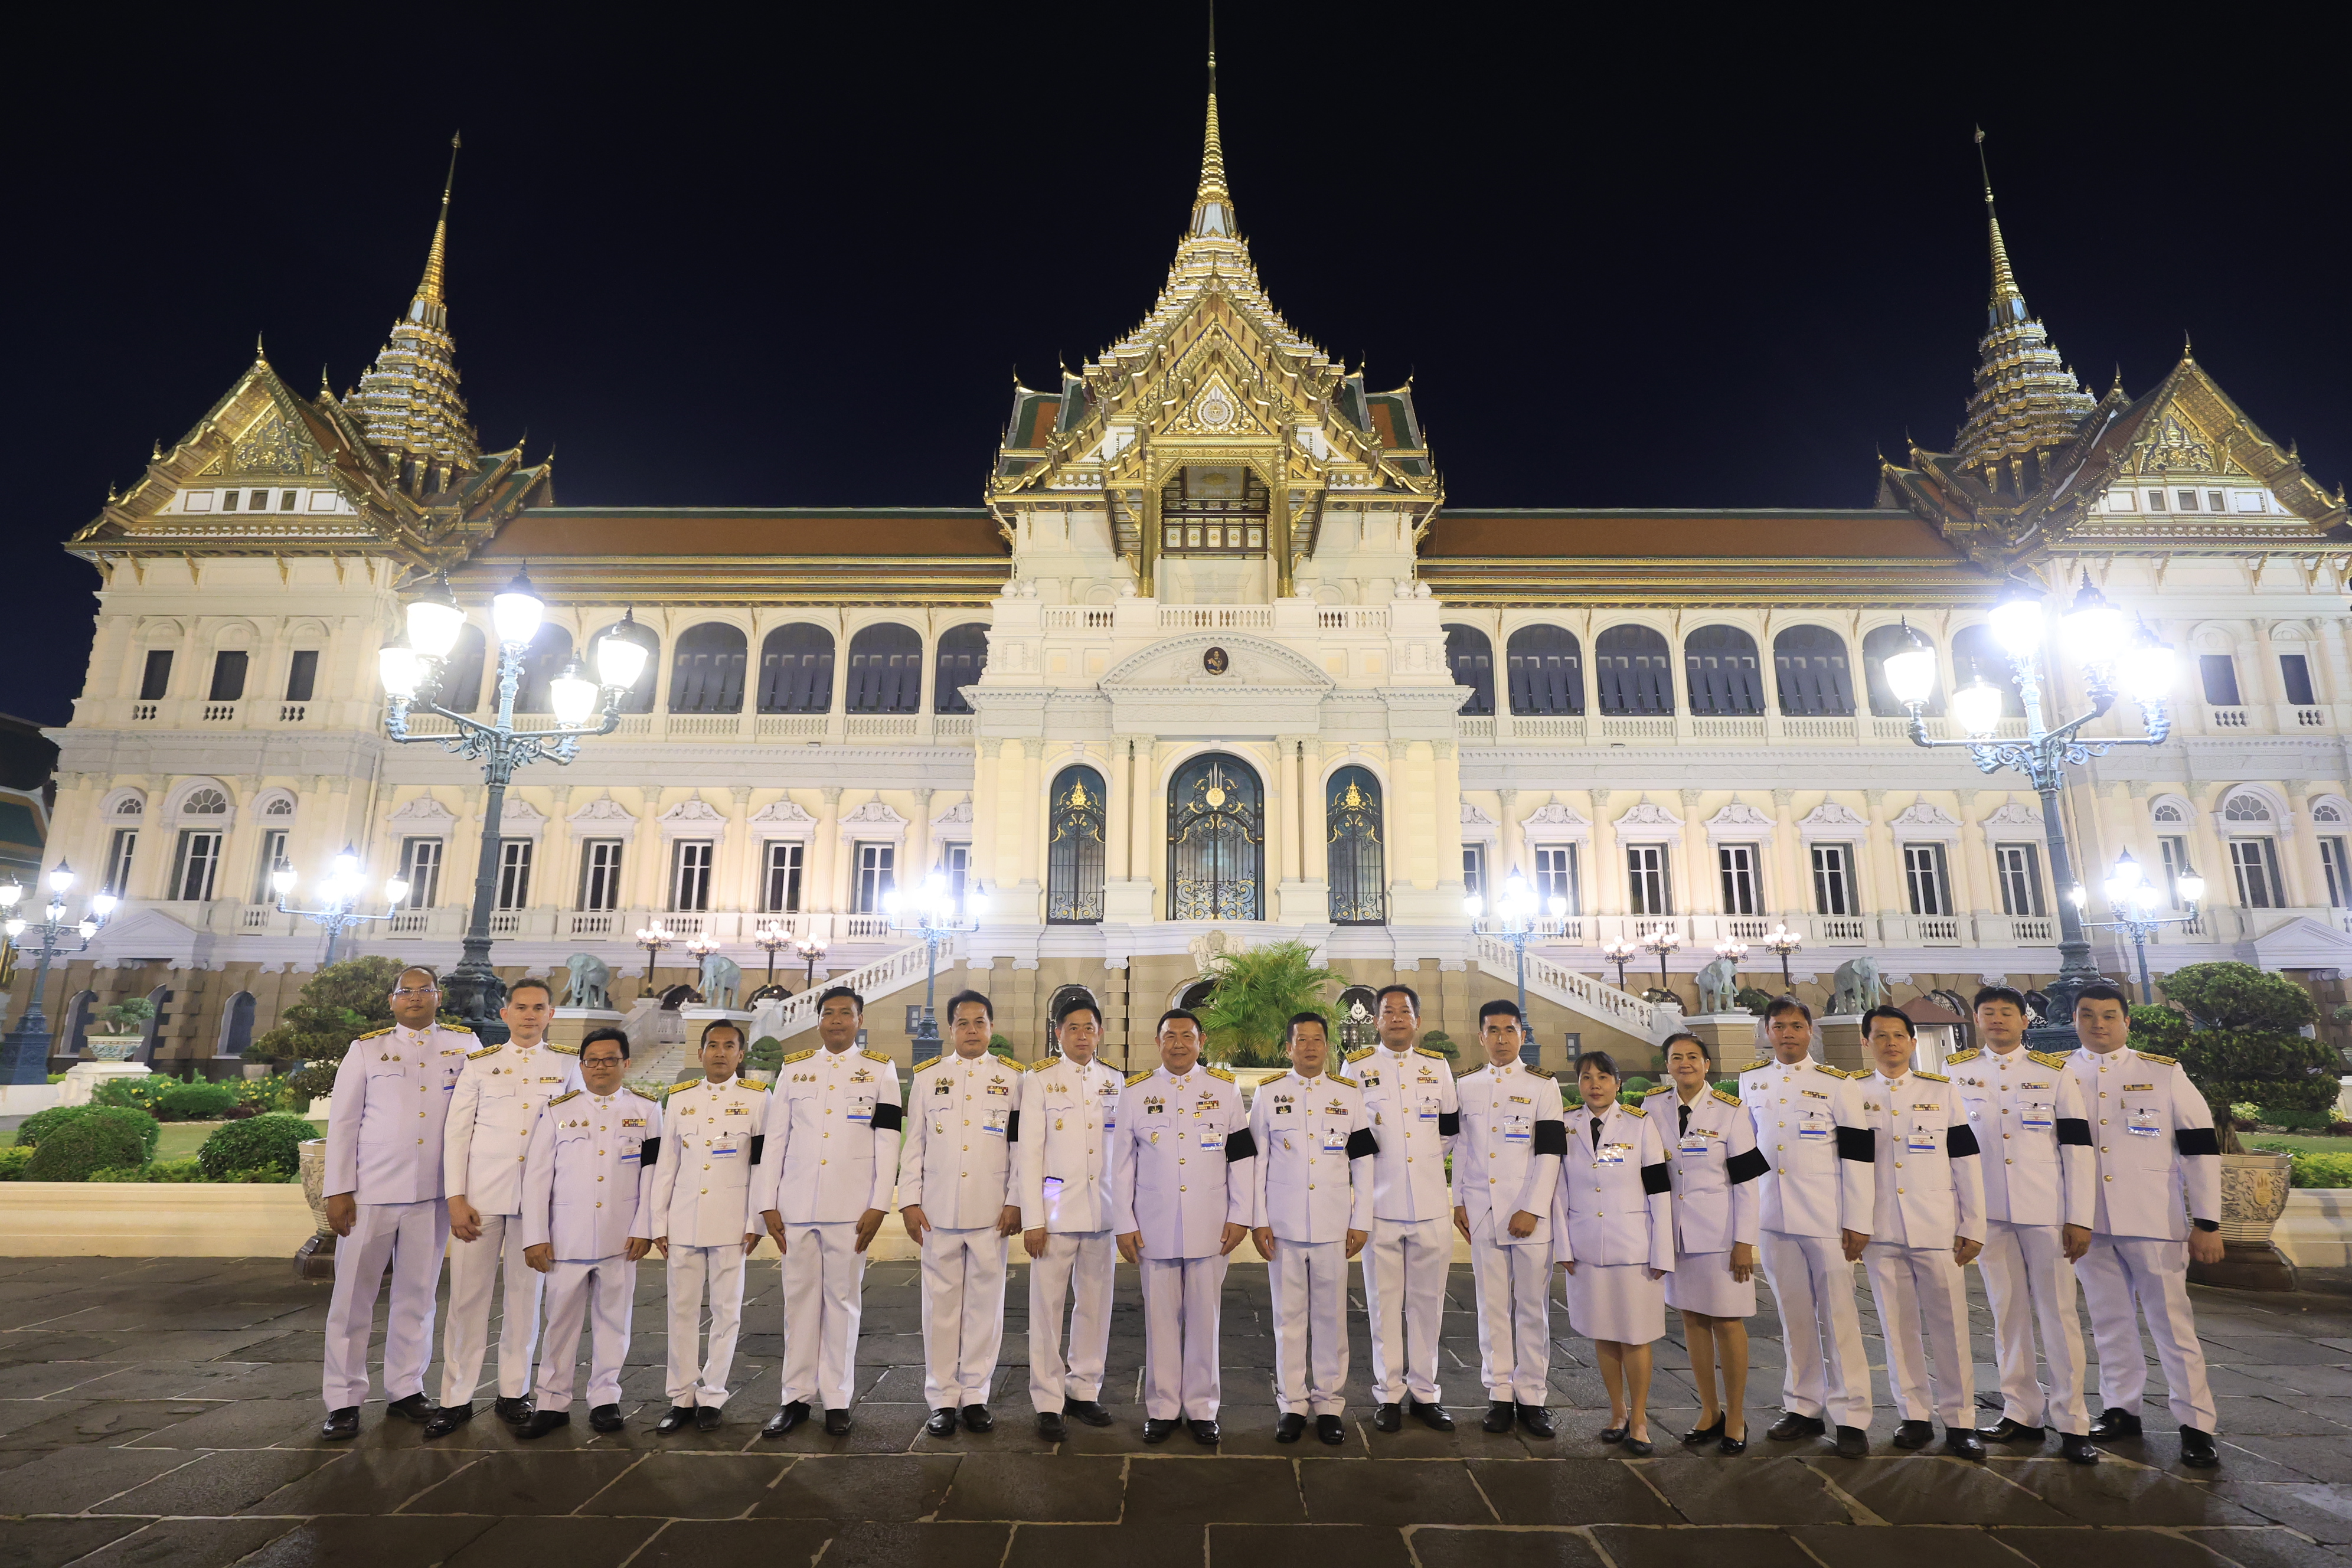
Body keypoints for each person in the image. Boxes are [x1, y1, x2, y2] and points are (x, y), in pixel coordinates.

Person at [2063, 981, 2223, 1468]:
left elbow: (2200, 1146)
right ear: (2074, 1020)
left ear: (2127, 1021)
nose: (2098, 1024)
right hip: (2091, 1221)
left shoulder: (2162, 1072)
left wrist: (2208, 1222)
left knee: (2173, 1325)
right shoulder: (2061, 1073)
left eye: (2109, 1015)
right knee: (2109, 1321)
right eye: (2088, 1015)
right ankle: (2120, 1409)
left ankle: (2196, 1424)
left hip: (2154, 1217)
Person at [318, 966, 472, 1440]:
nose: (415, 998)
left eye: (424, 991)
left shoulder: (464, 1047)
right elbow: (343, 1123)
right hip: (373, 1193)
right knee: (352, 1297)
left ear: (437, 997)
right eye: (406, 992)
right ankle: (343, 1399)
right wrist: (338, 1189)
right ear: (393, 1001)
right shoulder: (367, 1049)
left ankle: (406, 1387)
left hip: (433, 1193)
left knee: (418, 1296)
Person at [426, 976, 582, 1439]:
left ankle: (513, 1392)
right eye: (521, 1007)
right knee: (467, 1300)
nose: (530, 1015)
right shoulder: (479, 1065)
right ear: (505, 1014)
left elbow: (574, 1135)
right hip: (481, 1199)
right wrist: (456, 1198)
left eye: (539, 1008)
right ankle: (455, 1398)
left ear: (551, 1015)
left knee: (525, 1299)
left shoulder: (567, 1066)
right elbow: (457, 1134)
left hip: (537, 1204)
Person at [1951, 986, 2099, 1464]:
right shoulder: (1957, 1074)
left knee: (2059, 1315)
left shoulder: (2054, 1074)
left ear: (2023, 1020)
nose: (1998, 1021)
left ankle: (2073, 1420)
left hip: (2045, 1213)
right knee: (2006, 1313)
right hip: (1990, 1214)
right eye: (1989, 1013)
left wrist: (2079, 1216)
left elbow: (2077, 1149)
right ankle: (2021, 1411)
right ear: (1976, 1019)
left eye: (2007, 1013)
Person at [757, 985, 904, 1438]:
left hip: (850, 1205)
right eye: (829, 1014)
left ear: (860, 1021)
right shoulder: (795, 1070)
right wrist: (767, 1201)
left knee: (842, 1302)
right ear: (818, 1020)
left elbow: (887, 1140)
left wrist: (880, 1203)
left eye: (846, 1014)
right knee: (798, 1303)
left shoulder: (879, 1070)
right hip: (798, 1203)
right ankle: (795, 1397)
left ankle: (837, 1398)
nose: (836, 1021)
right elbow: (775, 1138)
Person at [1737, 996, 1876, 1458]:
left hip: (1827, 1218)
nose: (1788, 1033)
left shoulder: (1836, 1084)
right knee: (1793, 1317)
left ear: (1810, 1030)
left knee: (1839, 1318)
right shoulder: (1751, 1081)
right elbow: (1746, 1150)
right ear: (1767, 1030)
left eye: (1797, 1026)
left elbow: (1858, 1155)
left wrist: (1858, 1220)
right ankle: (1803, 1407)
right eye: (1779, 1026)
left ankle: (1852, 1415)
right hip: (1773, 1217)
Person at [1112, 1008, 1255, 1445]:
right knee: (1159, 1319)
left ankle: (1202, 1408)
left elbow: (1242, 1156)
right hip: (1153, 1224)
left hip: (1211, 1223)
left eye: (1187, 1036)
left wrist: (1241, 1214)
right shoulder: (1135, 1091)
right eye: (1170, 1036)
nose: (1178, 1044)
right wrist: (1123, 1222)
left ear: (1201, 1042)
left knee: (1204, 1318)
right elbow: (1119, 1165)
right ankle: (1162, 1408)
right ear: (1158, 1042)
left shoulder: (1224, 1091)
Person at [1854, 1006, 1987, 1459]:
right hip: (1880, 1227)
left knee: (1951, 1325)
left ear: (1913, 1043)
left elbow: (1966, 1162)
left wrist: (1973, 1223)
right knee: (1896, 1327)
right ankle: (1913, 1414)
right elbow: (1847, 1168)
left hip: (1936, 1227)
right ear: (1865, 1043)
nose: (1890, 1043)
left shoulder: (1942, 1092)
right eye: (1880, 1036)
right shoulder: (1853, 1095)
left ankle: (1960, 1419)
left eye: (1898, 1036)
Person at [516, 1027, 660, 1438]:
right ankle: (551, 1401)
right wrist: (535, 1235)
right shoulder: (559, 1110)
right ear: (581, 1065)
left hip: (621, 1237)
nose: (601, 1067)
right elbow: (537, 1177)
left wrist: (645, 1227)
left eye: (610, 1059)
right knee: (559, 1321)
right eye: (593, 1060)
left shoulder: (647, 1111)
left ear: (625, 1064)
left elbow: (652, 1175)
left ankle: (605, 1399)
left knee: (615, 1321)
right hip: (566, 1237)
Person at [900, 991, 1024, 1438]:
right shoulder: (929, 1077)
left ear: (991, 1027)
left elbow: (1019, 1148)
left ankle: (975, 1395)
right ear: (951, 1030)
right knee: (940, 1308)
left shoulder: (1013, 1079)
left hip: (991, 1210)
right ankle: (941, 1398)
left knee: (985, 1308)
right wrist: (909, 1201)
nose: (972, 1030)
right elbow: (914, 1144)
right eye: (963, 1022)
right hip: (937, 1210)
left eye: (979, 1022)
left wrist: (1016, 1200)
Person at [1250, 1011, 1374, 1445]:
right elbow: (1257, 1163)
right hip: (1282, 1225)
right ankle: (1292, 1403)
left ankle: (1329, 1404)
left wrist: (1362, 1219)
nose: (1309, 1047)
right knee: (1287, 1318)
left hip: (1333, 1224)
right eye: (1301, 1040)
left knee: (1331, 1318)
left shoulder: (1350, 1095)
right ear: (1288, 1048)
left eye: (1317, 1040)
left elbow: (1363, 1162)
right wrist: (1258, 1220)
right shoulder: (1268, 1095)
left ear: (1327, 1045)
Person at [1344, 984, 1461, 1433]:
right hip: (1380, 1205)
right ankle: (1389, 1393)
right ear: (1375, 1020)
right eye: (1387, 1012)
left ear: (1416, 1019)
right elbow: (1355, 1138)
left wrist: (1425, 1164)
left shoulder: (1437, 1066)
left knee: (1428, 1304)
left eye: (1404, 1011)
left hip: (1430, 1202)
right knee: (1384, 1304)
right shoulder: (1356, 1067)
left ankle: (1426, 1392)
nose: (1396, 1018)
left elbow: (1449, 1131)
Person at [648, 1019, 770, 1435]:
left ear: (741, 1054)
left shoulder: (757, 1099)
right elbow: (667, 1164)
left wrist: (756, 1219)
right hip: (684, 1219)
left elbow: (762, 1166)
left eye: (729, 1046)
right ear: (700, 1053)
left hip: (731, 1220)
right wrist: (658, 1220)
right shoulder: (681, 1098)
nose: (720, 1053)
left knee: (726, 1311)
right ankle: (681, 1395)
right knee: (680, 1310)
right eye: (712, 1045)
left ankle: (713, 1393)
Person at [1451, 1000, 1566, 1437]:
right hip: (1482, 1212)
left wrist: (1532, 1208)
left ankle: (1533, 1396)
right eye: (1493, 1031)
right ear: (1481, 1037)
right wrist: (1460, 1199)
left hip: (1528, 1216)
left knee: (1533, 1308)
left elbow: (1550, 1150)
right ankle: (1499, 1392)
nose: (1501, 1038)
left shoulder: (1543, 1085)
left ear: (1522, 1035)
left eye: (1509, 1030)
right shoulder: (1469, 1086)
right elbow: (1463, 1147)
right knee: (1492, 1307)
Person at [1554, 1049, 1675, 1455]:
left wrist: (1663, 1250)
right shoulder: (1566, 1125)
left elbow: (1659, 1188)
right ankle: (1617, 1412)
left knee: (1636, 1336)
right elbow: (1558, 1190)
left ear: (1618, 1083)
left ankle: (1640, 1419)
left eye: (1604, 1077)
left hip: (1634, 1246)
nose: (1595, 1085)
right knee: (1604, 1334)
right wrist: (1563, 1243)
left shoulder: (1640, 1125)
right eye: (1586, 1077)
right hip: (1586, 1245)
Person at [1018, 999, 1123, 1437]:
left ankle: (1085, 1389)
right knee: (1047, 1309)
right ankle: (1047, 1399)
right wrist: (1033, 1218)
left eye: (1090, 1028)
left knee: (1095, 1307)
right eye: (1073, 1028)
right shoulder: (1040, 1079)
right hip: (1055, 1211)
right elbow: (1028, 1152)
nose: (1082, 1035)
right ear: (1058, 1033)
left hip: (1103, 1210)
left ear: (1099, 1034)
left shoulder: (1115, 1081)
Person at [1657, 1031, 1765, 1454]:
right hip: (1676, 1235)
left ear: (1706, 1065)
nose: (1684, 1064)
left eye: (1692, 1057)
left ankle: (1736, 1416)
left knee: (1727, 1322)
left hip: (1720, 1236)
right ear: (1667, 1065)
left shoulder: (1731, 1113)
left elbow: (1747, 1183)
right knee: (1692, 1322)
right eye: (1676, 1057)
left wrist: (1744, 1242)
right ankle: (1709, 1410)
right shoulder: (1651, 1108)